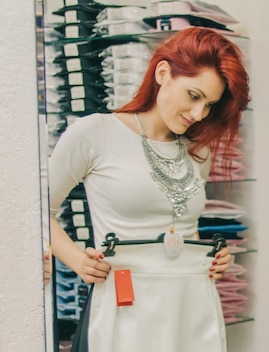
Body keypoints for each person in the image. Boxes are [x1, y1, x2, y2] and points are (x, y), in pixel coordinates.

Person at [48, 27, 250, 352]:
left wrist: (212, 259)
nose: (198, 114)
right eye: (194, 96)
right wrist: (76, 260)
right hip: (126, 302)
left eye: (209, 105)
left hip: (190, 302)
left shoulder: (197, 152)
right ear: (163, 73)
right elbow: (35, 212)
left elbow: (185, 231)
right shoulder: (94, 133)